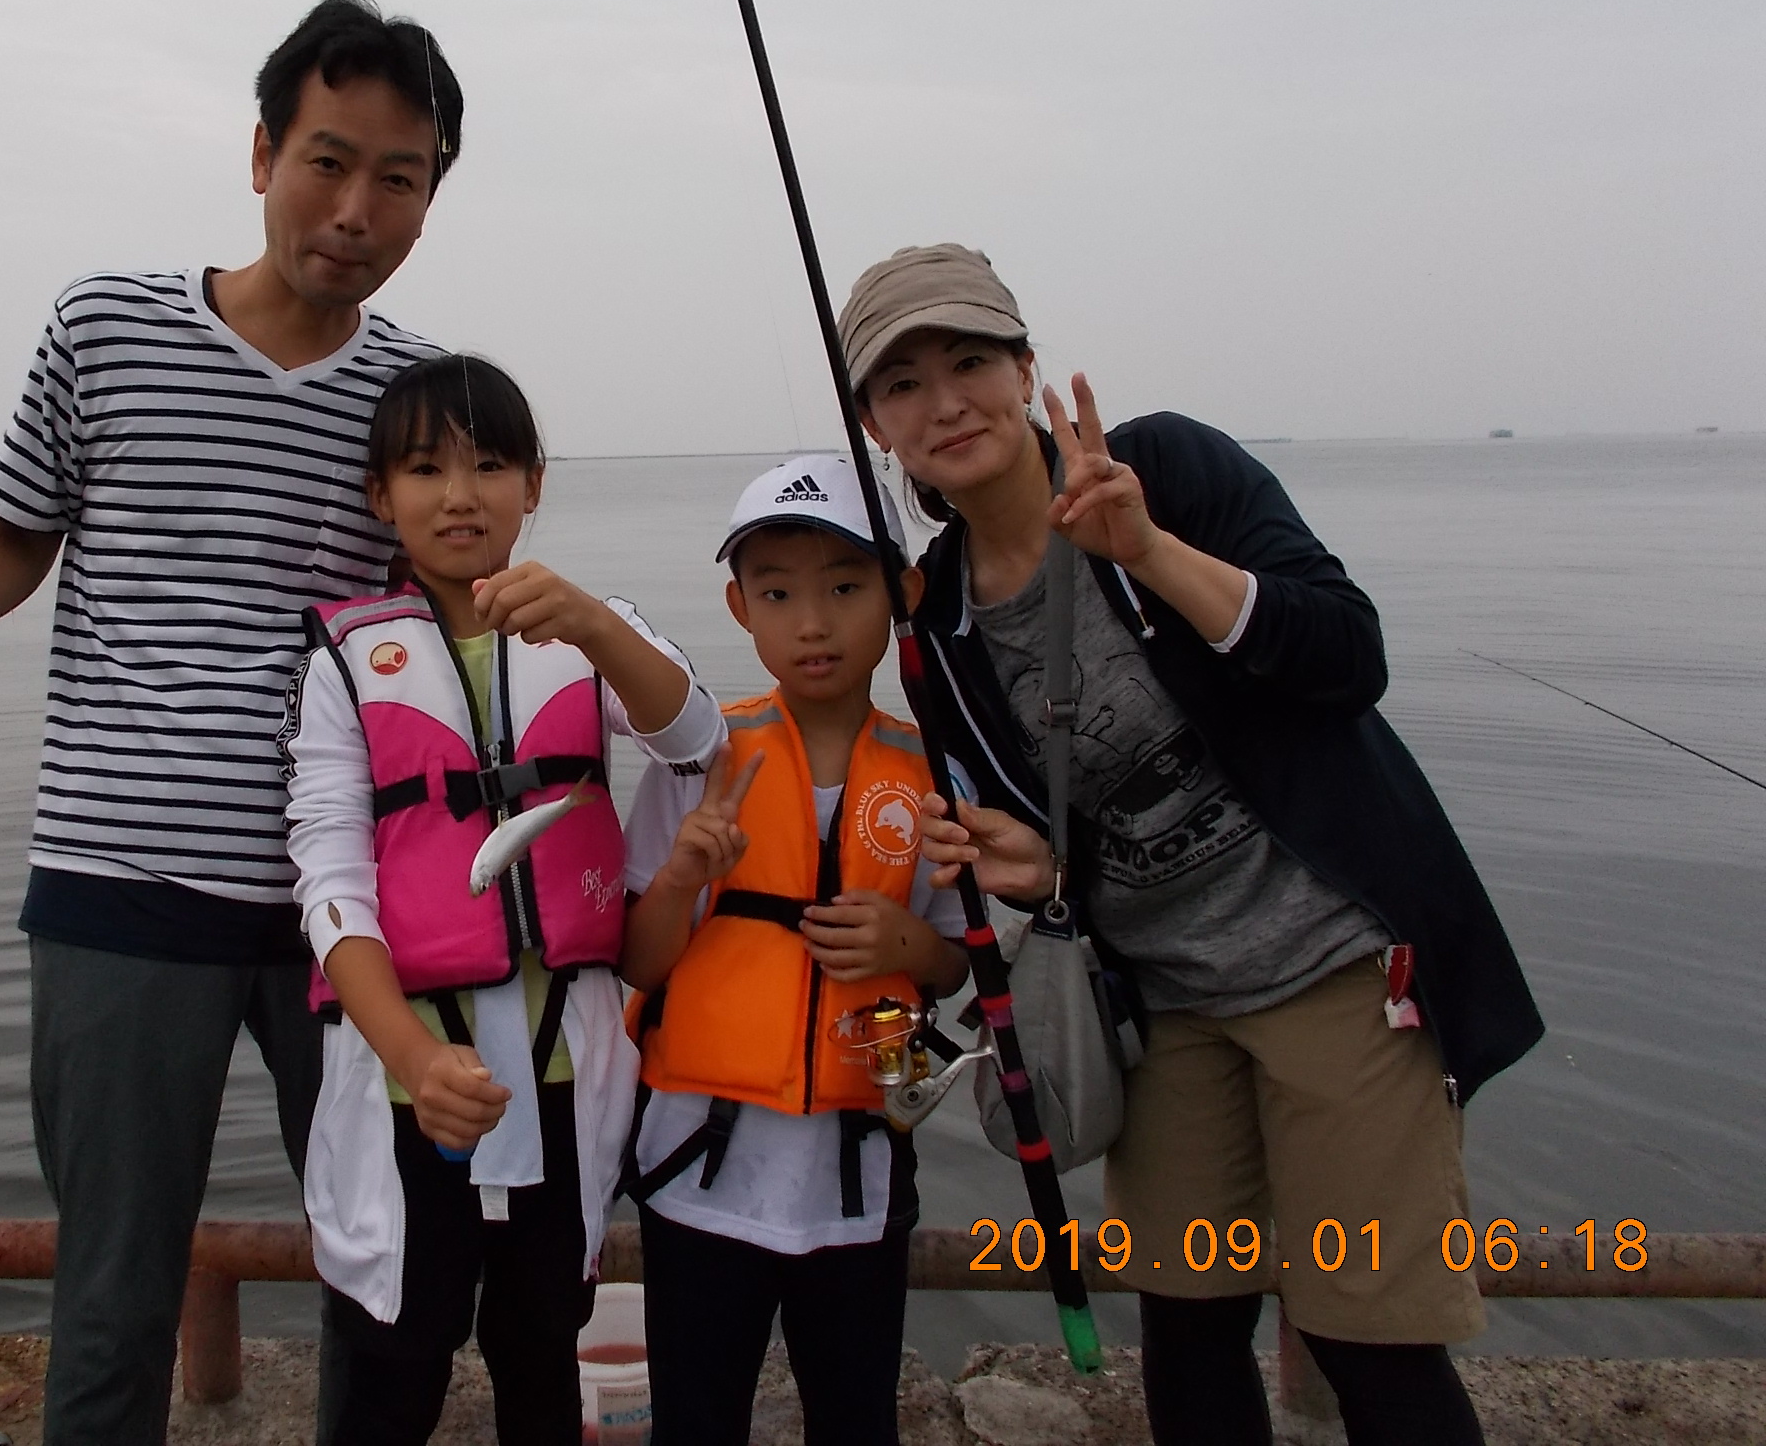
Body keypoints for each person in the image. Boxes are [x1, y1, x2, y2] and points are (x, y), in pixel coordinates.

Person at [0, 0, 463, 1446]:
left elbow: (440, 622)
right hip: (117, 888)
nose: (355, 210)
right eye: (327, 161)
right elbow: (14, 533)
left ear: (431, 198)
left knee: (383, 1263)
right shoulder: (104, 324)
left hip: (344, 905)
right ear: (261, 154)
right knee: (111, 1287)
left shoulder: (416, 398)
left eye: (398, 179)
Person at [840, 244, 1544, 1446]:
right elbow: (1061, 834)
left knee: (1370, 1339)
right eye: (902, 384)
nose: (944, 402)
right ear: (876, 426)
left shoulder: (1164, 469)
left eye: (969, 362)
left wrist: (1148, 552)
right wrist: (1041, 870)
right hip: (1162, 1006)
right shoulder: (936, 620)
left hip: (1338, 969)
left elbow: (1348, 656)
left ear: (1024, 367)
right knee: (1188, 1325)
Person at [281, 355, 725, 1446]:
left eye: (488, 465)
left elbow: (696, 738)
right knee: (393, 1362)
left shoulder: (592, 633)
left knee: (540, 1352)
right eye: (424, 469)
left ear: (534, 484)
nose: (459, 495)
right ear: (380, 496)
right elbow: (329, 881)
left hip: (566, 1070)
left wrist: (594, 625)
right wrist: (412, 1056)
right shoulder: (345, 660)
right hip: (408, 1080)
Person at [616, 455, 971, 1446]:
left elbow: (955, 965)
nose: (812, 624)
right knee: (695, 1420)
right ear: (739, 608)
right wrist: (683, 877)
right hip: (697, 1170)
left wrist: (907, 940)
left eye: (846, 589)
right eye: (776, 594)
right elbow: (639, 964)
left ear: (902, 595)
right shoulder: (699, 762)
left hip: (858, 1173)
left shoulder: (935, 774)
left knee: (856, 1418)